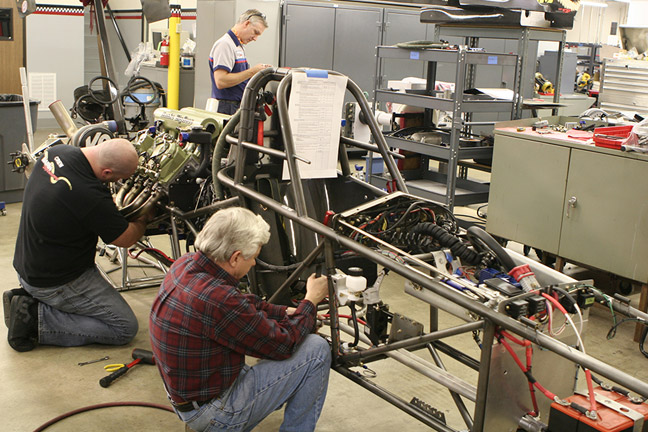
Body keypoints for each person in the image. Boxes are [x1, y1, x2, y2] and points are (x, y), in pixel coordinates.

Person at [149, 207, 330, 432]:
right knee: (316, 349)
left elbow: (243, 302)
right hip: (214, 413)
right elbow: (284, 344)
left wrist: (285, 312)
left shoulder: (185, 265)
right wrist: (311, 301)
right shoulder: (219, 299)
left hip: (189, 398)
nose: (254, 263)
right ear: (235, 257)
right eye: (253, 257)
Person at [6, 138, 150, 352]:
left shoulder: (58, 151)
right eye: (120, 179)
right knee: (124, 327)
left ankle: (29, 299)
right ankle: (34, 319)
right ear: (107, 173)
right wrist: (147, 215)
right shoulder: (87, 193)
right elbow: (126, 238)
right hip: (54, 282)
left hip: (27, 265)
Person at [209, 9, 272, 115]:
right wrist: (252, 71)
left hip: (235, 106)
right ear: (246, 23)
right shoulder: (225, 45)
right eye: (255, 32)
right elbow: (221, 81)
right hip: (225, 108)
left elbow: (239, 77)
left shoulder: (238, 46)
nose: (255, 38)